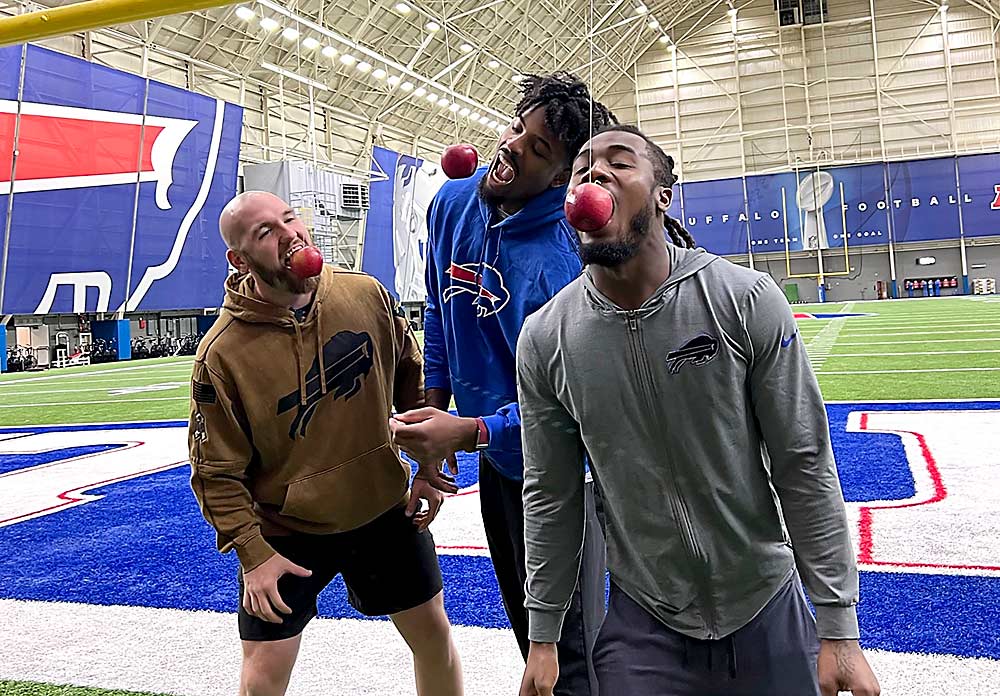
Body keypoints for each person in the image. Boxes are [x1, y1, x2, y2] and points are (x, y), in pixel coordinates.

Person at [516, 125, 882, 696]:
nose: (595, 176)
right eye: (583, 168)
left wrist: (838, 626)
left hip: (764, 605)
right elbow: (551, 491)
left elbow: (803, 462)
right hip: (644, 624)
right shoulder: (545, 338)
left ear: (663, 193)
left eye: (619, 162)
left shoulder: (745, 299)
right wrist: (544, 637)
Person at [389, 72, 616, 696]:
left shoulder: (569, 261)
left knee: (575, 652)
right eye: (518, 129)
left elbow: (574, 407)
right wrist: (433, 454)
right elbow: (438, 313)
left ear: (566, 178)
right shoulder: (452, 202)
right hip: (498, 463)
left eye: (539, 149)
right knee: (528, 632)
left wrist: (466, 430)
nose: (514, 146)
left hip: (567, 475)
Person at [187, 191, 463, 696]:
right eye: (265, 232)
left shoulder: (365, 295)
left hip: (382, 509)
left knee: (434, 637)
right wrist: (253, 554)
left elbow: (414, 389)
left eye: (289, 218)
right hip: (284, 531)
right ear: (239, 259)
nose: (289, 234)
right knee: (264, 674)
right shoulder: (222, 353)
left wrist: (426, 467)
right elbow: (215, 472)